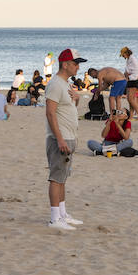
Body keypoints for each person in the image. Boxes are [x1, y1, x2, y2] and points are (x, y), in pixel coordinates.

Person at [45, 48, 85, 230]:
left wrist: (76, 98)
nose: (78, 67)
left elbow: (66, 107)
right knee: (56, 177)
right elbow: (50, 112)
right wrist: (59, 139)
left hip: (69, 136)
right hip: (59, 138)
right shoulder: (55, 84)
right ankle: (55, 219)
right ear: (65, 64)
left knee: (63, 177)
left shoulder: (66, 84)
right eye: (75, 63)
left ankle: (62, 214)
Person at [121, 46, 138, 120]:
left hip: (133, 80)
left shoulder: (133, 59)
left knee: (130, 99)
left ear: (126, 53)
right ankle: (131, 116)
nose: (123, 56)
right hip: (130, 80)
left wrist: (128, 77)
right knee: (131, 99)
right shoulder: (129, 59)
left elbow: (136, 71)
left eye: (123, 55)